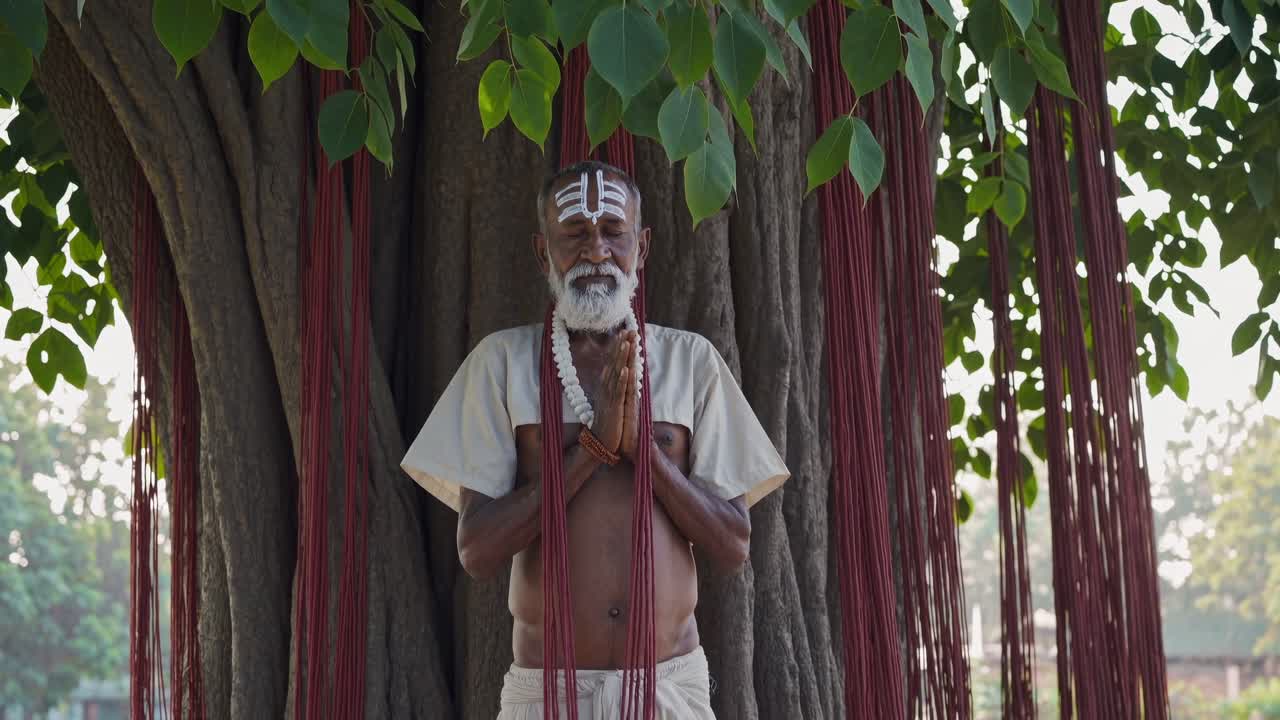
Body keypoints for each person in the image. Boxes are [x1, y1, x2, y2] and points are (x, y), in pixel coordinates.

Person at [401, 160, 789, 719]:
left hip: (668, 688)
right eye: (575, 235)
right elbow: (477, 552)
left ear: (643, 247)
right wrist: (593, 449)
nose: (596, 251)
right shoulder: (501, 364)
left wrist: (642, 453)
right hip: (547, 695)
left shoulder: (690, 361)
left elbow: (733, 546)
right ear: (544, 253)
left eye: (614, 232)